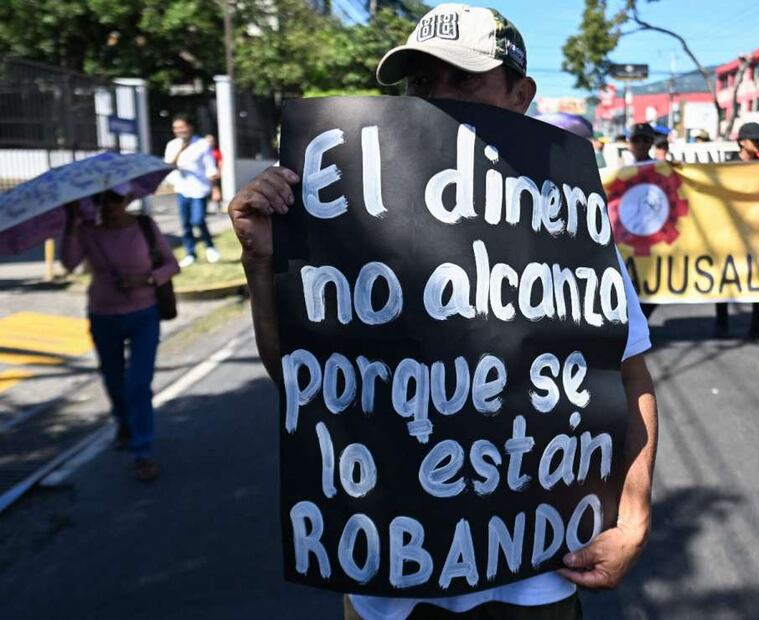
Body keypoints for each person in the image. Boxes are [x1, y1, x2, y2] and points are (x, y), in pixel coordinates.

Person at [227, 4, 658, 619]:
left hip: (535, 580)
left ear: (521, 95)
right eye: (423, 83)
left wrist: (635, 512)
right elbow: (307, 383)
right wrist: (261, 264)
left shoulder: (572, 226)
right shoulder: (350, 216)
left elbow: (630, 374)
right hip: (388, 588)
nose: (437, 99)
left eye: (465, 80)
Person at [60, 186, 179, 481]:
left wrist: (147, 278)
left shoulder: (144, 226)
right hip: (103, 315)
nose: (107, 205)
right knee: (113, 379)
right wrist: (72, 222)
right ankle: (123, 422)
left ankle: (142, 451)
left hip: (144, 314)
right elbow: (69, 263)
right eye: (99, 199)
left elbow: (171, 264)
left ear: (127, 199)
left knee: (138, 384)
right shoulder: (88, 230)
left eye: (114, 198)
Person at [716, 122, 759, 341]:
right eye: (754, 139)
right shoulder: (728, 166)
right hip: (729, 232)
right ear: (741, 141)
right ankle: (721, 324)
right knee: (724, 280)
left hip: (757, 233)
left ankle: (758, 326)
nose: (758, 142)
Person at [164, 114, 220, 267]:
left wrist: (214, 180)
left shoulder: (202, 144)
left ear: (190, 127)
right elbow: (167, 166)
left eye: (182, 127)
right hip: (182, 188)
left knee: (198, 219)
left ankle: (210, 247)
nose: (179, 130)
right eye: (176, 128)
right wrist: (180, 149)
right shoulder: (172, 145)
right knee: (186, 224)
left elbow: (210, 166)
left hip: (199, 189)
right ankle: (190, 254)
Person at [205, 133, 224, 213]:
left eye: (211, 141)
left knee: (215, 189)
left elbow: (220, 162)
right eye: (208, 141)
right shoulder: (203, 151)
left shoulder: (216, 151)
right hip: (204, 174)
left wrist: (219, 171)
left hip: (213, 173)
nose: (210, 143)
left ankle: (216, 206)